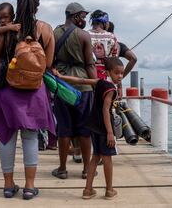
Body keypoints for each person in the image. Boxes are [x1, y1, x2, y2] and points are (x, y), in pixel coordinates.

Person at [0, 0, 56, 200]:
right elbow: (49, 63)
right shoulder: (45, 29)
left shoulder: (8, 29)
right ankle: (29, 186)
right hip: (34, 91)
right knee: (30, 137)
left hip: (7, 90)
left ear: (16, 7)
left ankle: (8, 186)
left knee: (7, 138)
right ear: (37, 7)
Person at [52, 57, 124, 200]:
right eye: (117, 73)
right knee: (107, 159)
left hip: (93, 127)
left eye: (122, 73)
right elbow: (105, 110)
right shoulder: (110, 89)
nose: (120, 76)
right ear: (108, 72)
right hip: (104, 129)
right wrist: (110, 132)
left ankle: (88, 189)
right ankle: (109, 190)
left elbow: (81, 81)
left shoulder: (99, 82)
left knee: (95, 157)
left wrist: (61, 76)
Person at [52, 2, 97, 180]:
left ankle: (62, 169)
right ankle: (87, 169)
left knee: (64, 129)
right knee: (84, 130)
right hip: (83, 87)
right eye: (83, 17)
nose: (84, 20)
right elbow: (89, 64)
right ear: (76, 16)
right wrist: (96, 86)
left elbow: (49, 61)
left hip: (62, 85)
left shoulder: (53, 34)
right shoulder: (84, 36)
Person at [106, 21, 137, 98]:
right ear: (113, 32)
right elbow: (133, 58)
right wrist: (119, 79)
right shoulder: (118, 46)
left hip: (98, 83)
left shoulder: (96, 46)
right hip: (112, 86)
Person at [88, 10, 119, 80]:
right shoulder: (111, 37)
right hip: (105, 76)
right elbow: (114, 59)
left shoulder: (85, 35)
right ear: (104, 22)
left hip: (87, 75)